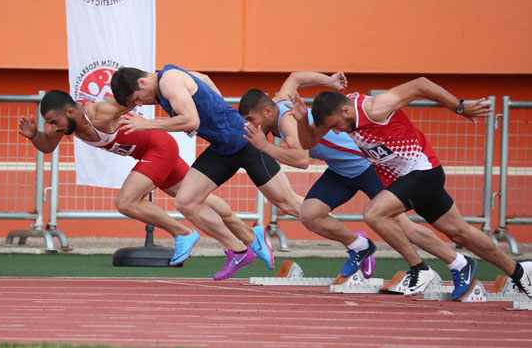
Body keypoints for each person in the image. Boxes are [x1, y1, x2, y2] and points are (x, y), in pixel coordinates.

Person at [291, 77, 532, 299]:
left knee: (375, 214)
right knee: (460, 232)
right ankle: (520, 272)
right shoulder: (338, 115)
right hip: (405, 179)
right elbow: (308, 142)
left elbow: (420, 84)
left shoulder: (375, 107)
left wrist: (459, 106)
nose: (337, 131)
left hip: (423, 173)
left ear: (345, 110)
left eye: (336, 125)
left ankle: (420, 269)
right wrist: (302, 120)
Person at [240, 72, 474, 298]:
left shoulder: (287, 122)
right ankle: (360, 246)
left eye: (252, 120)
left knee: (403, 226)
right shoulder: (283, 98)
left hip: (367, 166)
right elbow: (296, 77)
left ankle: (456, 263)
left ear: (268, 111)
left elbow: (301, 160)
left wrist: (266, 147)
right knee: (310, 214)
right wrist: (330, 81)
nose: (251, 126)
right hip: (340, 170)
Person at [18, 90, 273, 277]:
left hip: (158, 147)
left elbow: (130, 99)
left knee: (126, 202)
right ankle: (253, 237)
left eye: (54, 122)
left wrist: (163, 89)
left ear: (70, 112)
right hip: (149, 152)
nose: (53, 128)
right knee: (199, 199)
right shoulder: (64, 125)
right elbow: (47, 146)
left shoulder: (99, 111)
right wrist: (34, 136)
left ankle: (183, 233)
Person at [110, 64, 303, 280]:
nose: (139, 104)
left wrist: (147, 124)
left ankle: (345, 238)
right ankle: (238, 251)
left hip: (246, 142)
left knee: (289, 204)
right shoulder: (168, 81)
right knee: (186, 202)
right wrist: (218, 109)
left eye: (136, 99)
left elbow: (192, 120)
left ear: (142, 82)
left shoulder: (168, 81)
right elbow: (204, 78)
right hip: (221, 148)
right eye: (134, 104)